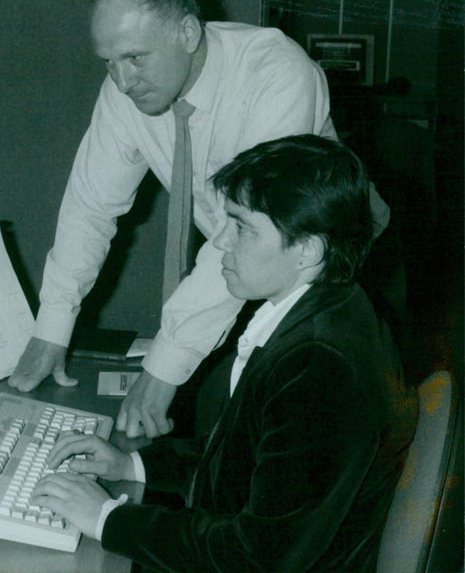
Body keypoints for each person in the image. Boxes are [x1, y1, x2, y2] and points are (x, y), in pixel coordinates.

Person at [8, 0, 389, 438]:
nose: (122, 81)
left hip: (332, 262)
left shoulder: (276, 73)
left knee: (299, 430)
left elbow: (248, 229)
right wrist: (52, 327)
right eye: (108, 61)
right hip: (242, 266)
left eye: (134, 58)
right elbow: (90, 206)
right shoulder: (125, 91)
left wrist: (165, 365)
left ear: (187, 32)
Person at [30, 134, 417, 572]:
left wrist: (106, 519)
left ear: (307, 249)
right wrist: (132, 464)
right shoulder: (328, 310)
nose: (222, 245)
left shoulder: (321, 365)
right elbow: (248, 464)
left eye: (242, 227)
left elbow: (259, 556)